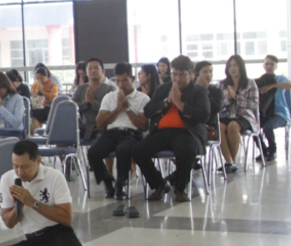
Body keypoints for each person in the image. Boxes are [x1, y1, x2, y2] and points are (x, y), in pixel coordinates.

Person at [0, 140, 180, 246]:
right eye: (15, 166)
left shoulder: (54, 177)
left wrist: (33, 203)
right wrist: (20, 205)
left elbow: (66, 218)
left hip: (57, 234)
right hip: (32, 239)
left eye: (24, 167)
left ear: (38, 161)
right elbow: (9, 223)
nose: (19, 172)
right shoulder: (7, 179)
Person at [132, 55, 210, 202]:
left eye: (182, 74)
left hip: (186, 132)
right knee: (137, 150)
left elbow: (203, 115)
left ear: (191, 74)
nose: (177, 78)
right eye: (174, 74)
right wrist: (166, 102)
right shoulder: (163, 89)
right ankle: (159, 184)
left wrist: (180, 104)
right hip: (161, 132)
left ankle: (180, 189)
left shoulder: (199, 92)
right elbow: (148, 111)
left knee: (186, 151)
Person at [87, 63, 149, 200]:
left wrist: (127, 108)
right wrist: (118, 109)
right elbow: (100, 123)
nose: (120, 84)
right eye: (117, 80)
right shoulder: (109, 97)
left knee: (123, 150)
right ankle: (109, 184)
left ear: (132, 79)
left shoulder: (142, 98)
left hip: (131, 134)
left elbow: (144, 126)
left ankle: (120, 187)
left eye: (124, 80)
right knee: (93, 153)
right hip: (111, 133)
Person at [218, 55, 259, 173]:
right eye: (230, 66)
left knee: (233, 126)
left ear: (241, 67)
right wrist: (228, 100)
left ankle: (232, 161)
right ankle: (229, 162)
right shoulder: (222, 84)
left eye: (235, 65)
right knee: (219, 127)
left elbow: (254, 105)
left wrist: (236, 98)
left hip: (243, 116)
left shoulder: (250, 83)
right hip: (226, 115)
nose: (233, 68)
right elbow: (218, 104)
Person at [257, 55, 291, 161]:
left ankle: (273, 150)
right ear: (263, 66)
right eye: (267, 64)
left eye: (272, 64)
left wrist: (273, 85)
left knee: (267, 127)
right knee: (253, 127)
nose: (269, 66)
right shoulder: (261, 80)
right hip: (266, 113)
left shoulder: (280, 79)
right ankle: (264, 151)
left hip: (280, 113)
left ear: (276, 66)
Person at [71, 58, 115, 140]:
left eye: (96, 68)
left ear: (103, 71)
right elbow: (71, 107)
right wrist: (85, 102)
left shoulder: (110, 89)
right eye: (90, 68)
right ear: (86, 72)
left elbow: (112, 110)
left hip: (103, 128)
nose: (93, 71)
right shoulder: (80, 88)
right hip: (81, 127)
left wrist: (93, 102)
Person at [194, 60, 223, 137]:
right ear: (196, 74)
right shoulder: (191, 89)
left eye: (210, 71)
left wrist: (205, 90)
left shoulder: (216, 91)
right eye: (205, 72)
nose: (208, 74)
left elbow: (216, 108)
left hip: (209, 125)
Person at [29, 66, 59, 133]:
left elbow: (53, 98)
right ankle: (35, 134)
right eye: (37, 78)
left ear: (47, 75)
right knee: (33, 114)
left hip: (49, 108)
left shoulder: (53, 85)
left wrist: (42, 91)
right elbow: (32, 96)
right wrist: (37, 92)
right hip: (38, 108)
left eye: (42, 78)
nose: (40, 80)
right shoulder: (35, 85)